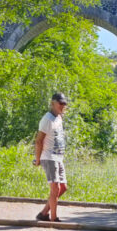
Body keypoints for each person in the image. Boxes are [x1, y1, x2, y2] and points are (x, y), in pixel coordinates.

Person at [32, 92, 69, 222]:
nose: (63, 106)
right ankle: (53, 218)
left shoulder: (59, 117)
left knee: (63, 187)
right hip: (49, 157)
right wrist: (37, 159)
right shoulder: (47, 119)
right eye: (61, 103)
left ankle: (43, 214)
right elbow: (38, 141)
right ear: (53, 103)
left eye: (65, 103)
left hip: (58, 157)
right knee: (55, 188)